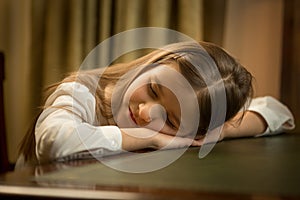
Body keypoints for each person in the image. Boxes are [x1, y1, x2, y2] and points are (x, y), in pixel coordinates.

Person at [16, 41, 295, 169]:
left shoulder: (194, 128)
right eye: (152, 89)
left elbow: (277, 111)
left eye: (171, 121)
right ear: (154, 63)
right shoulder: (81, 93)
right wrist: (151, 136)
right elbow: (53, 142)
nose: (146, 111)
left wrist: (218, 131)